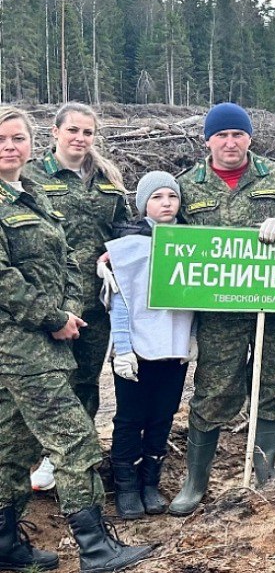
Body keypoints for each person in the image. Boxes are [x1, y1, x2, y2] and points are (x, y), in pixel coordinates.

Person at [0, 105, 152, 573]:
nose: (10, 147)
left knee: (13, 443)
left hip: (54, 332)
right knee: (75, 439)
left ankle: (3, 541)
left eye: (17, 139)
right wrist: (51, 317)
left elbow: (66, 255)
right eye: (2, 139)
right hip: (20, 343)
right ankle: (95, 547)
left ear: (30, 143)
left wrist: (67, 310)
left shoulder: (27, 196)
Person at [168, 102, 275, 515]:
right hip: (220, 312)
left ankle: (264, 473)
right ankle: (195, 482)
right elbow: (162, 233)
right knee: (213, 391)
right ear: (208, 141)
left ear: (249, 138)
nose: (230, 142)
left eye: (238, 134)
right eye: (222, 135)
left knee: (272, 386)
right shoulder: (189, 186)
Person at [27, 102, 132, 492]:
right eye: (72, 130)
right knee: (49, 384)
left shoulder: (108, 179)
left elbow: (123, 228)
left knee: (86, 381)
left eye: (87, 132)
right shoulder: (32, 175)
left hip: (98, 303)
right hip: (50, 302)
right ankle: (42, 456)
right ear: (54, 132)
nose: (80, 138)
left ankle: (73, 461)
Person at [103, 171, 196, 518]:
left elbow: (199, 296)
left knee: (162, 416)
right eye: (157, 197)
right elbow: (120, 300)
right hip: (138, 350)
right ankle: (125, 487)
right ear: (144, 203)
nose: (166, 204)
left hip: (174, 349)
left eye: (172, 197)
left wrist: (192, 339)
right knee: (129, 418)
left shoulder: (190, 243)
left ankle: (149, 483)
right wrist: (123, 348)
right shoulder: (127, 246)